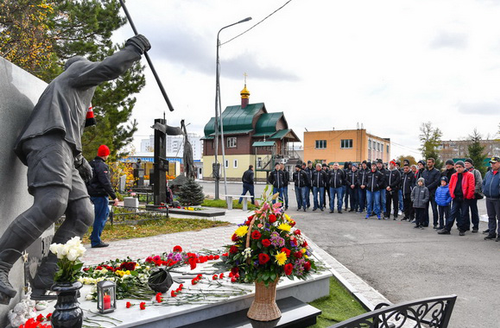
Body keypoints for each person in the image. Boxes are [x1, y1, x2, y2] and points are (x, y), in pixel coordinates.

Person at [0, 34, 151, 304]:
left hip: (64, 148)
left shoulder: (72, 95)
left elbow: (71, 129)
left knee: (83, 213)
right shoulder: (77, 71)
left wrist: (79, 159)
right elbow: (110, 67)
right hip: (49, 140)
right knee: (52, 204)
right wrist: (134, 48)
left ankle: (47, 281)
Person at [87, 145, 119, 248]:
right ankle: (96, 240)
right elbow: (105, 182)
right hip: (100, 194)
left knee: (99, 216)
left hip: (91, 193)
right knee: (101, 216)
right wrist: (114, 196)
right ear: (105, 155)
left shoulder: (90, 164)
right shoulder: (102, 166)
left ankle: (94, 236)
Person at [438, 161, 475, 236]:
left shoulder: (469, 175)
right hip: (456, 197)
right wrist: (452, 194)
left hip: (464, 198)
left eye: (460, 167)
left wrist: (468, 196)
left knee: (464, 214)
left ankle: (462, 229)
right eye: (457, 167)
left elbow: (471, 187)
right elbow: (451, 186)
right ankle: (447, 228)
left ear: (463, 167)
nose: (458, 169)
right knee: (452, 213)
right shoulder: (454, 176)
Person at [482, 156, 500, 241]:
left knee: (499, 217)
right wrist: (484, 191)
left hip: (498, 199)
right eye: (491, 163)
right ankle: (492, 233)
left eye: (494, 163)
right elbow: (484, 183)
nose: (492, 165)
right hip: (489, 198)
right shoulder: (488, 173)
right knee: (491, 217)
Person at [464, 158, 482, 233]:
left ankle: (475, 226)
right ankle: (466, 225)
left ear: (471, 164)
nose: (466, 164)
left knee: (474, 210)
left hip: (473, 195)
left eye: (467, 163)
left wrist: (474, 191)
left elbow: (479, 182)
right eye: (465, 163)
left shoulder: (475, 172)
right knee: (465, 211)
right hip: (465, 195)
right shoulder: (464, 172)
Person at [422, 158, 441, 228]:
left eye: (430, 162)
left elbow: (436, 182)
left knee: (434, 209)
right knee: (425, 208)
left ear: (433, 163)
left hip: (433, 193)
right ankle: (425, 222)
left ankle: (435, 223)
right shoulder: (424, 172)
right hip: (425, 193)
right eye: (427, 162)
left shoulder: (437, 172)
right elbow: (422, 180)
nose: (428, 164)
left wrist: (427, 187)